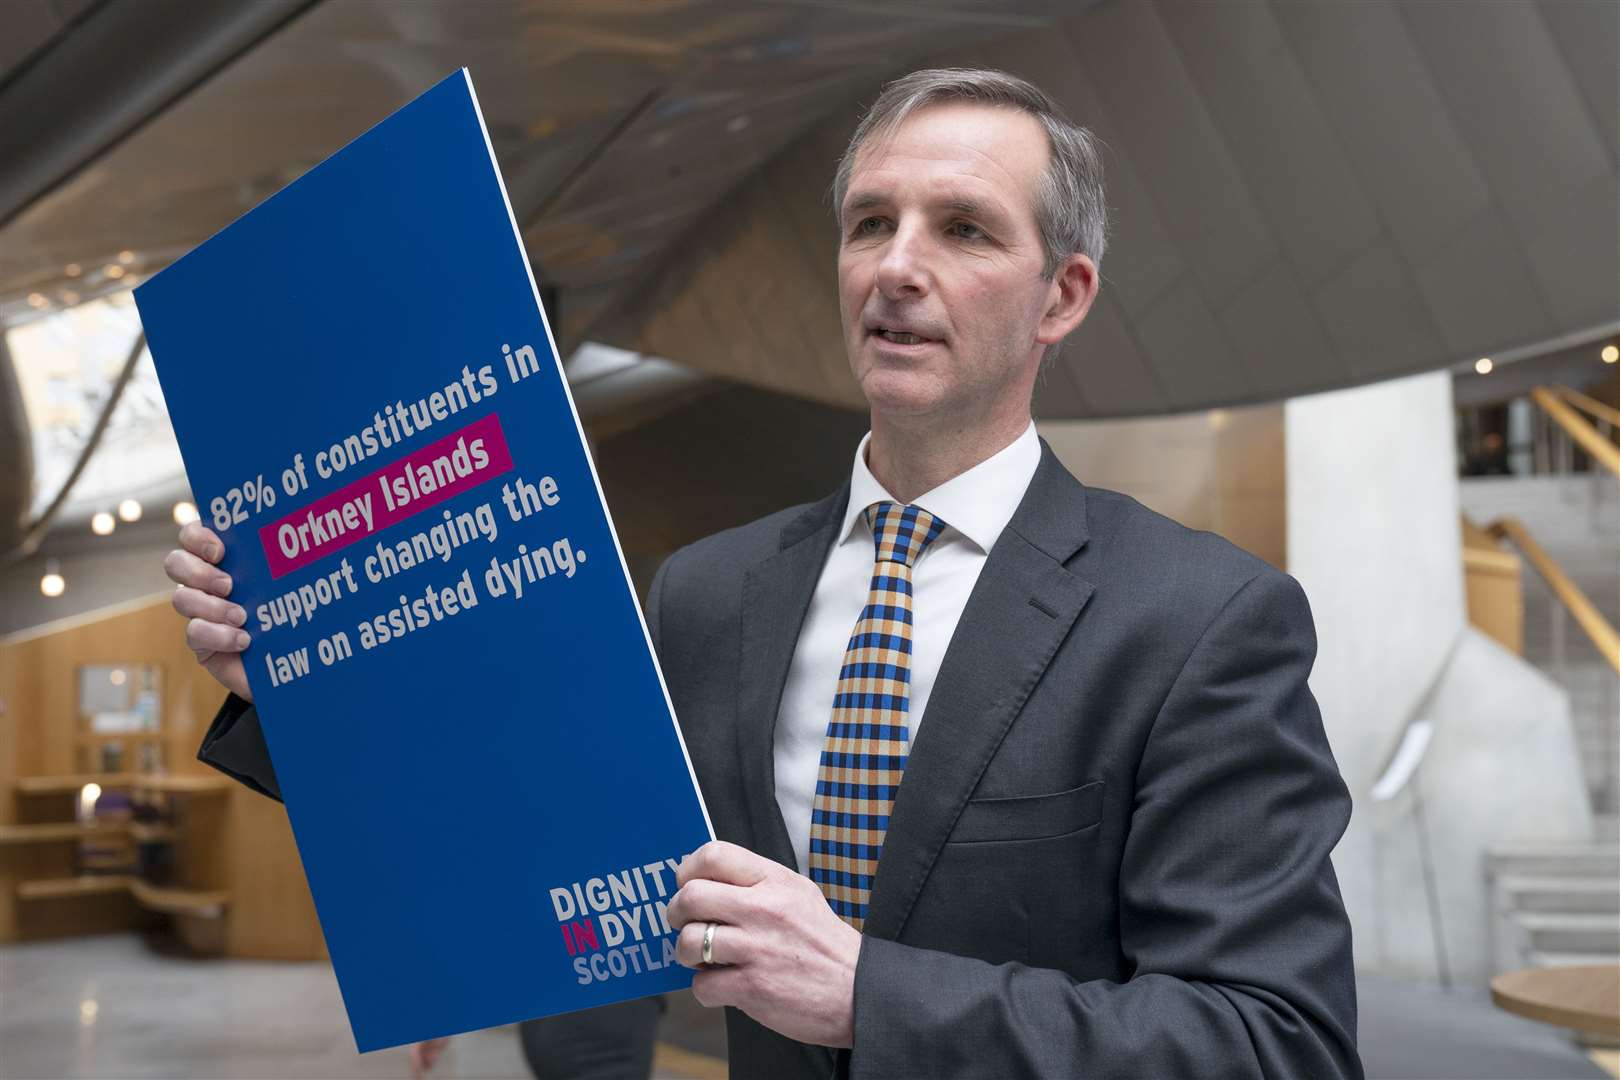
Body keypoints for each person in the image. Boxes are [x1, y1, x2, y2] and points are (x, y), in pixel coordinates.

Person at [167, 68, 1360, 1079]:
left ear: (1065, 294)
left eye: (965, 228)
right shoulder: (713, 591)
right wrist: (306, 678)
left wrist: (866, 995)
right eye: (868, 223)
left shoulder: (1199, 619)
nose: (897, 266)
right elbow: (532, 829)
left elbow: (1275, 1040)